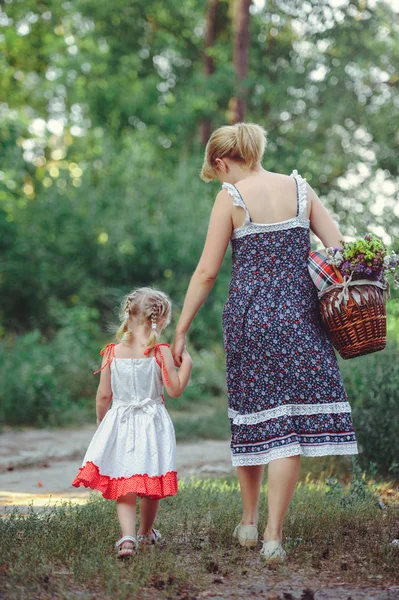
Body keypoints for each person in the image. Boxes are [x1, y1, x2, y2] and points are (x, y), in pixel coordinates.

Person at [171, 123, 358, 562]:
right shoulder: (299, 188)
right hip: (301, 320)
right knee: (289, 428)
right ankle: (273, 536)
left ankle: (250, 523)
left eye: (217, 172)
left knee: (254, 418)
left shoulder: (230, 198)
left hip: (250, 321)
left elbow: (207, 273)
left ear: (221, 162)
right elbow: (340, 251)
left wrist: (180, 329)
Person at [72, 287, 192, 558]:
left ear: (127, 315)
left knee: (124, 481)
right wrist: (187, 366)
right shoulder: (160, 351)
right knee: (150, 479)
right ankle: (146, 534)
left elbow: (104, 395)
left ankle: (127, 539)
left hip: (121, 421)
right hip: (152, 423)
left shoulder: (112, 352)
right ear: (160, 320)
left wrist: (103, 423)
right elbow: (174, 390)